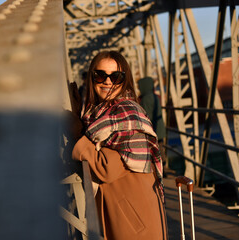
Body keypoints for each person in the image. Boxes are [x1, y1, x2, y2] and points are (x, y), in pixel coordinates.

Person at [71, 51, 167, 240]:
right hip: (122, 213)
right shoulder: (99, 114)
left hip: (137, 222)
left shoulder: (128, 112)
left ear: (126, 80)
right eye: (100, 75)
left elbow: (107, 168)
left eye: (116, 76)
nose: (108, 82)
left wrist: (76, 133)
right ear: (92, 78)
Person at [138, 76, 167, 177]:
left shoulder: (145, 99)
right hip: (160, 129)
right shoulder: (155, 96)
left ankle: (158, 170)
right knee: (161, 150)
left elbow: (145, 115)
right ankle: (164, 169)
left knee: (153, 150)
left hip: (152, 130)